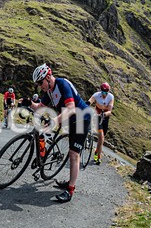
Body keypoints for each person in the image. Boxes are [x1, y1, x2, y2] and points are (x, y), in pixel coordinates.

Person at [31, 63, 92, 203]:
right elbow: (39, 107)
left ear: (48, 77)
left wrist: (55, 121)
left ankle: (70, 190)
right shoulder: (49, 92)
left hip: (82, 119)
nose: (40, 86)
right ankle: (67, 179)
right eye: (38, 84)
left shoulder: (62, 84)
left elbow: (70, 109)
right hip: (70, 120)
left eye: (41, 82)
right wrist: (28, 103)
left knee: (74, 154)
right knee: (46, 132)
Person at [88, 82, 115, 165]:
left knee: (101, 140)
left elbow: (110, 111)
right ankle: (98, 158)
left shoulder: (111, 97)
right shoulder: (96, 95)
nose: (104, 94)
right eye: (103, 92)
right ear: (100, 91)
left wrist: (104, 114)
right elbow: (90, 101)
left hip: (105, 118)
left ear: (108, 92)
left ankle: (96, 153)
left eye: (106, 93)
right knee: (101, 137)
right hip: (97, 117)